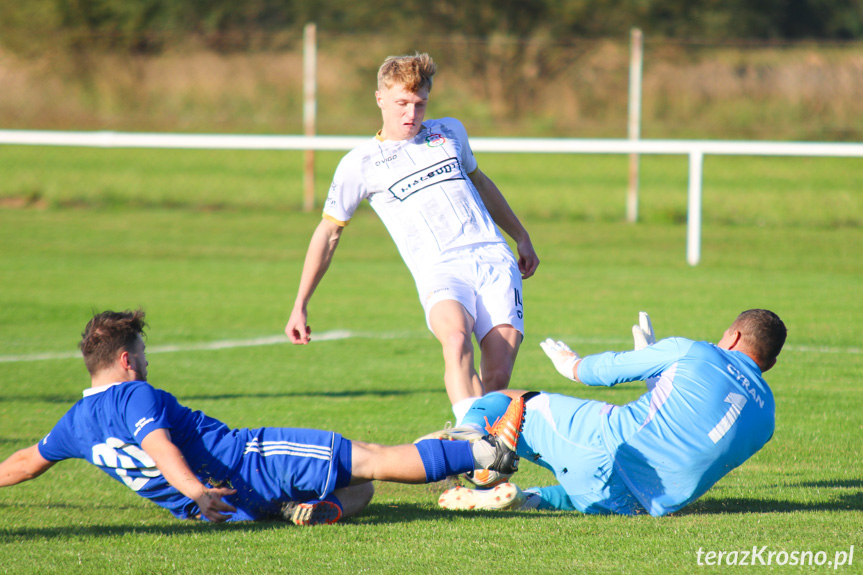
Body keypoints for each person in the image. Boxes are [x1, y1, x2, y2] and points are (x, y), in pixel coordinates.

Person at [0, 310, 522, 525]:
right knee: (371, 458)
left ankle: (315, 509)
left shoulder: (73, 422)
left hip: (232, 510)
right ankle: (484, 450)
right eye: (142, 352)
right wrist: (194, 490)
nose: (145, 361)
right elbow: (158, 445)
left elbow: (24, 463)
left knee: (361, 491)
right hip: (247, 463)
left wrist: (200, 500)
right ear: (125, 360)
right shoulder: (135, 395)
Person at [285, 53, 539, 425]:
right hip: (441, 269)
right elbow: (328, 232)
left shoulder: (450, 131)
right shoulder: (361, 163)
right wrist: (300, 303)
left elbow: (481, 183)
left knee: (498, 375)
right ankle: (471, 451)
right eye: (402, 103)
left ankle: (479, 450)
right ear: (380, 99)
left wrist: (521, 236)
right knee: (455, 341)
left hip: (493, 260)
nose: (411, 113)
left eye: (419, 104)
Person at [433, 310, 787, 517]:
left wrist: (572, 365)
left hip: (604, 449)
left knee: (505, 400)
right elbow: (683, 429)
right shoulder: (767, 417)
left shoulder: (694, 352)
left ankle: (467, 451)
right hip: (638, 503)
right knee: (577, 491)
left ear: (735, 335)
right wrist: (654, 369)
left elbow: (600, 374)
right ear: (768, 363)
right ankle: (526, 500)